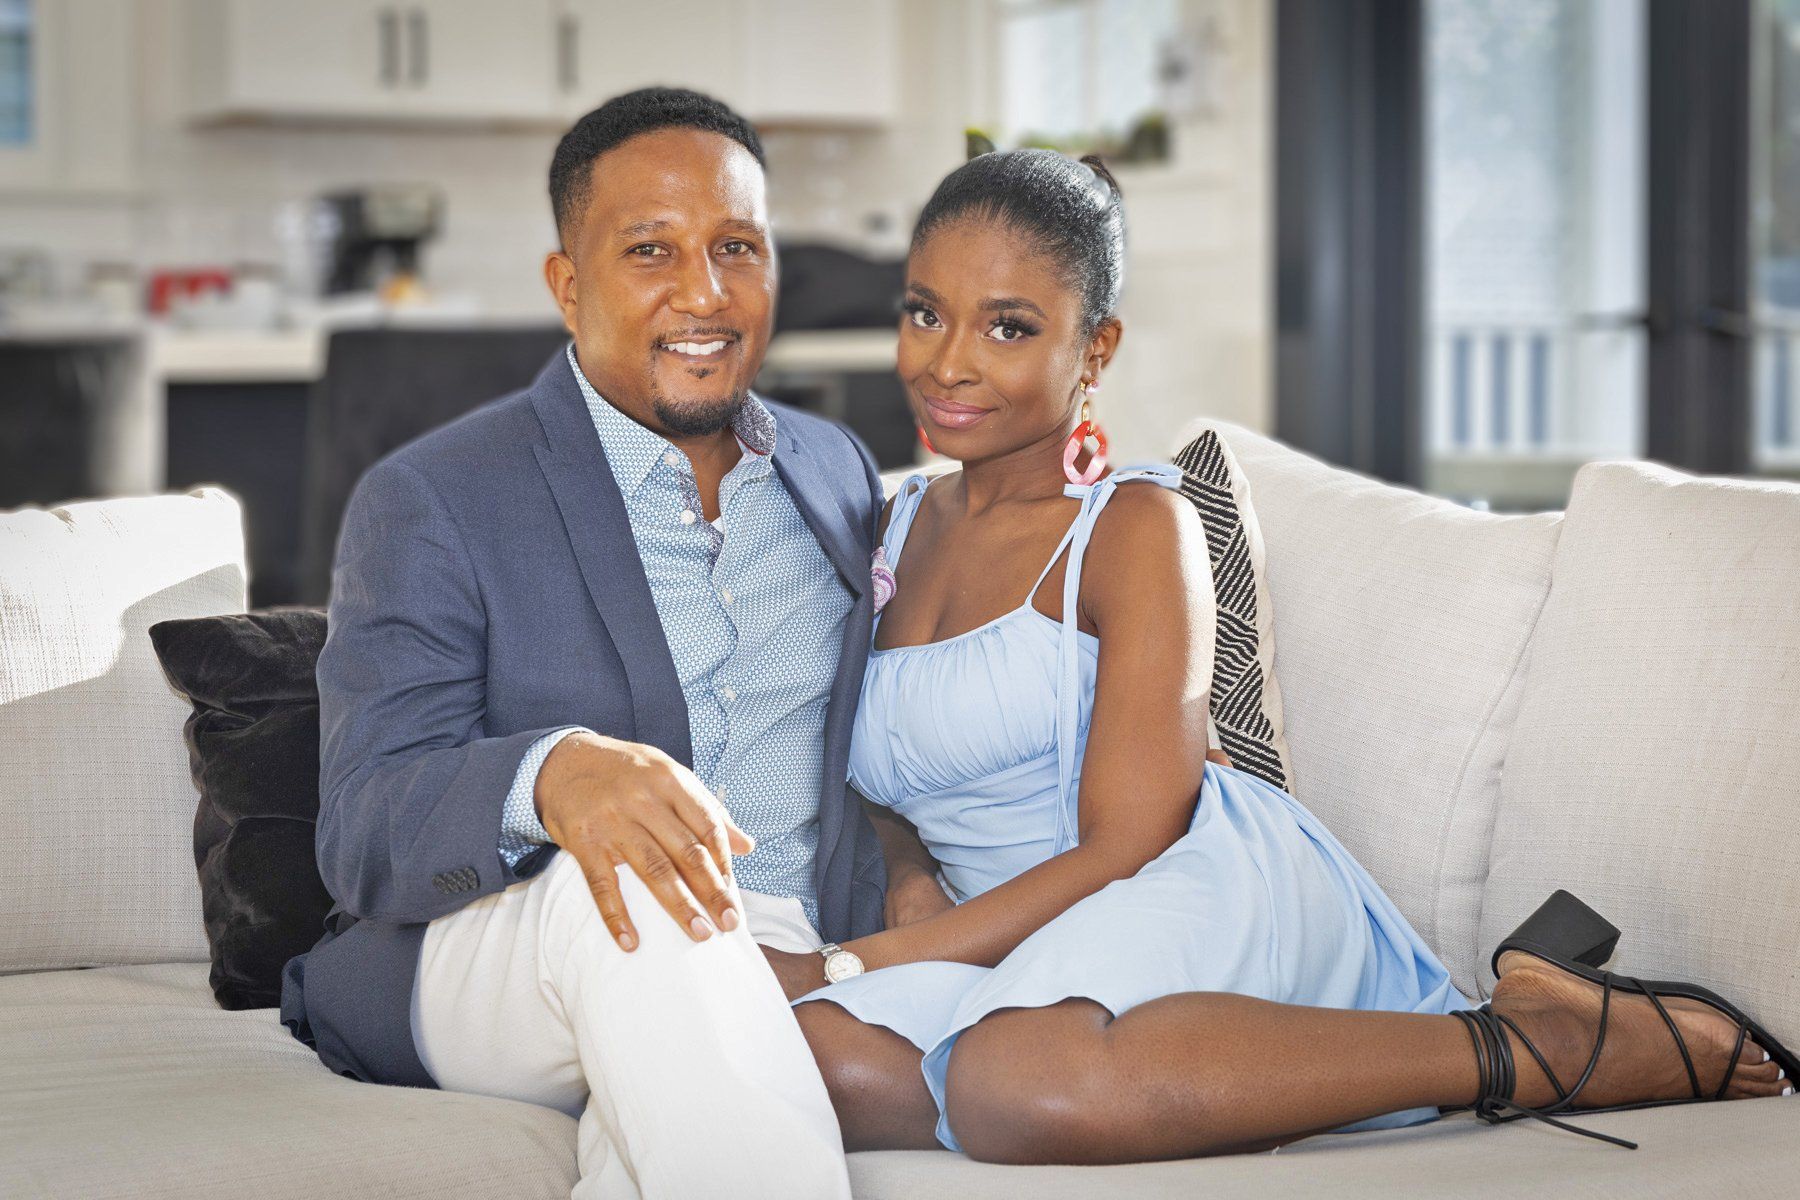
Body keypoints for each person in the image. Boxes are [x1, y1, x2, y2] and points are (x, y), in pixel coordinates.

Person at [752, 148, 1799, 1164]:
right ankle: (1163, 1076)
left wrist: (852, 961)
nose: (947, 364)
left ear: (1096, 349)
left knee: (1014, 1084)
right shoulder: (889, 523)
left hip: (1166, 889)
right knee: (806, 1061)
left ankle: (1531, 1043)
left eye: (1009, 327)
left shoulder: (1133, 527)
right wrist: (907, 876)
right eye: (925, 312)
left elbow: (1129, 843)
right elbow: (882, 768)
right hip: (999, 929)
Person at [278, 88, 910, 1199]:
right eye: (651, 250)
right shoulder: (432, 497)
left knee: (670, 1074)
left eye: (736, 247)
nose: (704, 293)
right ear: (569, 288)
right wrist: (553, 775)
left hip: (782, 952)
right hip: (503, 947)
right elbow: (366, 820)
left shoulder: (837, 470)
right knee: (646, 890)